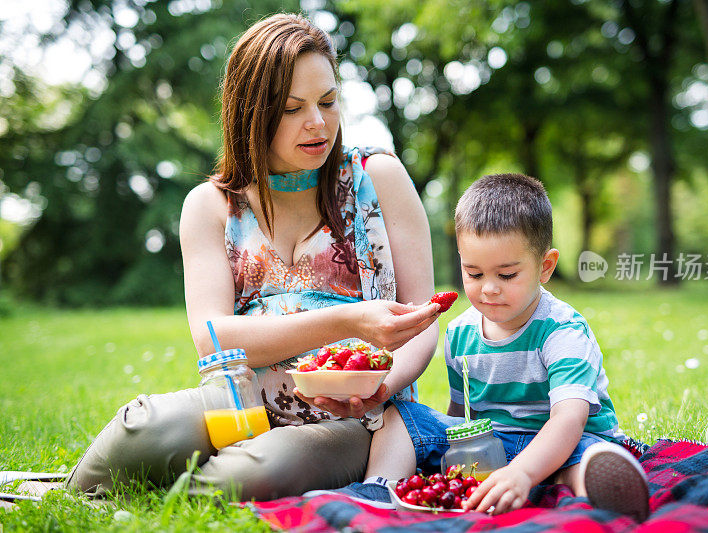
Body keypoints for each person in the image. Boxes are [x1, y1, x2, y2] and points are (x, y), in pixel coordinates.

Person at [65, 13, 441, 501]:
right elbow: (213, 338)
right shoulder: (210, 206)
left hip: (358, 414)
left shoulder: (380, 177)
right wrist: (349, 320)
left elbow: (422, 319)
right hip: (240, 400)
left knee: (259, 470)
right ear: (251, 111)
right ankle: (72, 494)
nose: (318, 123)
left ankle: (183, 493)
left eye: (328, 102)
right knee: (146, 428)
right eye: (291, 108)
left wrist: (377, 387)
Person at [313, 174, 650, 522]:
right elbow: (460, 417)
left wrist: (522, 472)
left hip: (565, 441)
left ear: (545, 266)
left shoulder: (563, 332)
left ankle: (599, 486)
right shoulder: (460, 333)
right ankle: (380, 488)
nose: (488, 289)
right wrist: (450, 453)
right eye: (474, 274)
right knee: (402, 414)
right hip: (495, 445)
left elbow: (569, 419)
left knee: (584, 456)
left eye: (506, 275)